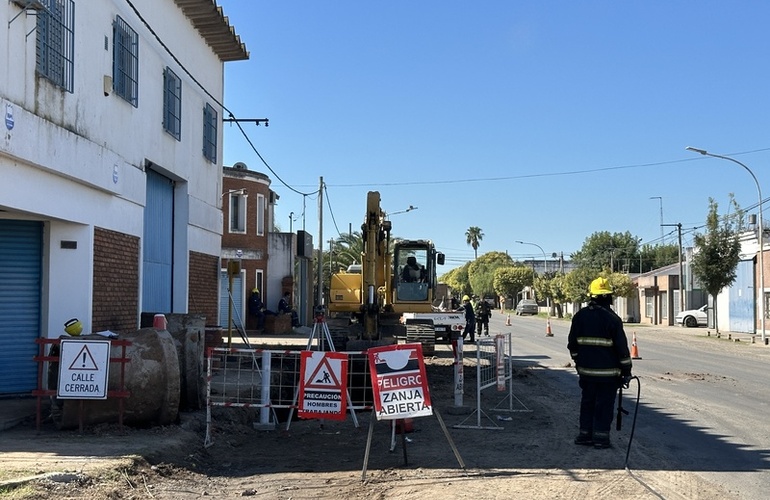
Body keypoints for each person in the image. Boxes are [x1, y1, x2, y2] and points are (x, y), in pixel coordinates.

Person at [567, 277, 633, 449]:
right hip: (608, 375)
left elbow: (572, 345)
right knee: (604, 405)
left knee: (587, 402)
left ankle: (584, 436)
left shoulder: (579, 316)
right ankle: (601, 438)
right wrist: (626, 371)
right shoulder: (613, 319)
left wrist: (578, 361)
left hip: (586, 372)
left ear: (591, 296)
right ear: (609, 297)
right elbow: (622, 350)